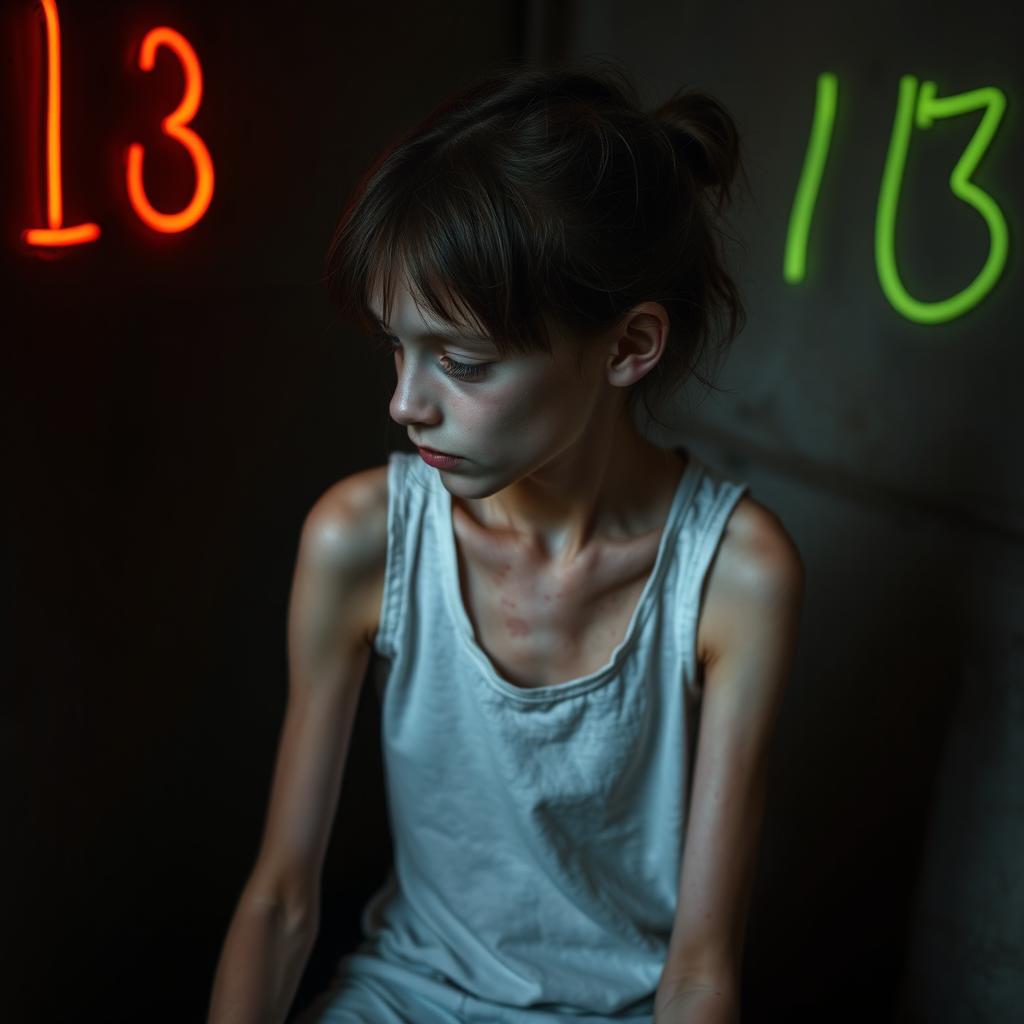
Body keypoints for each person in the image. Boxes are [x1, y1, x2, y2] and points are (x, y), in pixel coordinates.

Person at [207, 57, 805, 1024]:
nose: (406, 403)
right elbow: (279, 901)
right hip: (405, 999)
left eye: (464, 361)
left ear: (627, 346)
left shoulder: (735, 576)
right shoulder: (361, 540)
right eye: (396, 347)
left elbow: (698, 972)